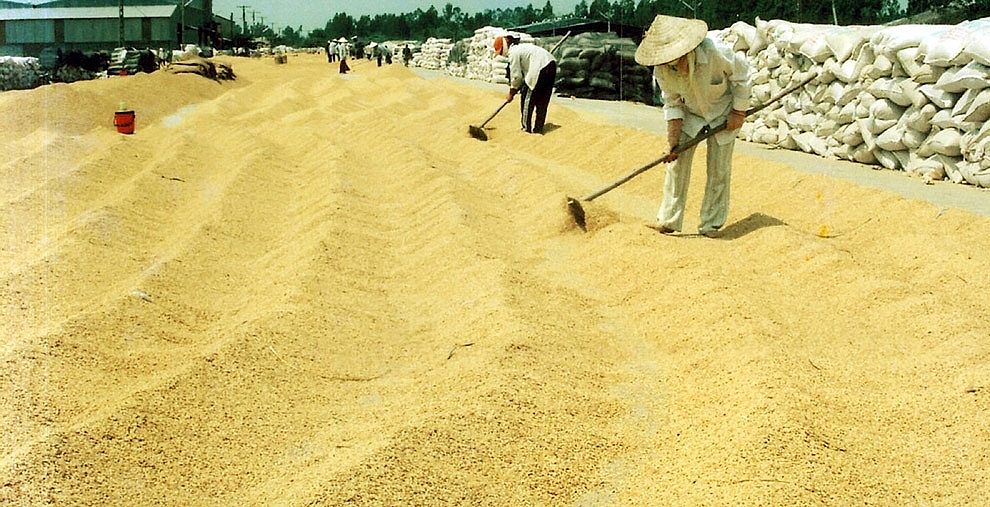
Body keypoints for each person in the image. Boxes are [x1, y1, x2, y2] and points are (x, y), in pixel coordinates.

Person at [634, 15, 752, 238]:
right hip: (690, 115)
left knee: (718, 169)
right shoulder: (662, 69)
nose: (673, 65)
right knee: (676, 166)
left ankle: (711, 224)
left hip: (723, 111)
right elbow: (672, 103)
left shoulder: (717, 52)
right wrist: (672, 142)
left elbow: (743, 78)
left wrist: (738, 112)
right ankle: (669, 219)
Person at [494, 34, 557, 134]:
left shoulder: (513, 53)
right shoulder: (521, 48)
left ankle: (525, 128)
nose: (501, 54)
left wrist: (511, 92)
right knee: (542, 101)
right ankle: (538, 129)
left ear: (505, 46)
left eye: (501, 51)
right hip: (551, 64)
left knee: (527, 98)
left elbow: (516, 76)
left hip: (540, 67)